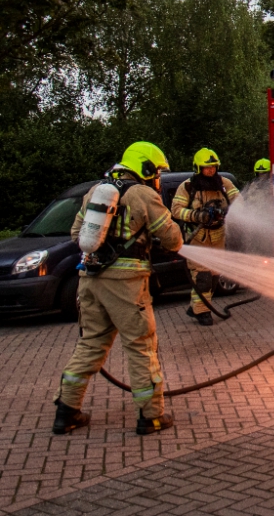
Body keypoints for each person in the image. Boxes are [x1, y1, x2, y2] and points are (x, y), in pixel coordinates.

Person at [53, 141, 181, 436]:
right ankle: (151, 417)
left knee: (90, 343)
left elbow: (77, 234)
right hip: (126, 284)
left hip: (90, 279)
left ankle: (66, 412)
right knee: (140, 346)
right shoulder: (142, 194)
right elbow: (172, 238)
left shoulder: (93, 193)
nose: (158, 177)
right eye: (157, 171)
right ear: (146, 168)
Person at [171, 148, 240, 325]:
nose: (210, 171)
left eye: (213, 167)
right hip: (197, 238)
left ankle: (196, 306)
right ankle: (202, 312)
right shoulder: (187, 187)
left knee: (215, 275)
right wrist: (197, 216)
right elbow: (176, 210)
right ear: (198, 168)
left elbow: (238, 201)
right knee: (202, 277)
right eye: (206, 168)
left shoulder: (224, 184)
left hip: (218, 237)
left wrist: (229, 211)